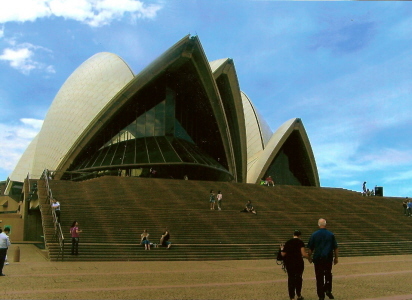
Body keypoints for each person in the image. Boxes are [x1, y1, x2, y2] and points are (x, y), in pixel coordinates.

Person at [307, 218, 339, 300]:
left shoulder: (314, 235)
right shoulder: (331, 234)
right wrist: (336, 258)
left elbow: (310, 248)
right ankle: (328, 289)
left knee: (319, 276)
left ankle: (321, 295)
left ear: (318, 225)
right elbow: (335, 247)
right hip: (328, 257)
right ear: (325, 224)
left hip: (318, 258)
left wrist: (309, 257)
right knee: (328, 274)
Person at [281, 230, 310, 300]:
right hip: (298, 262)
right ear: (300, 236)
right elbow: (303, 254)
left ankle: (291, 296)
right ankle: (298, 295)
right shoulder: (300, 242)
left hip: (289, 262)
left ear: (293, 235)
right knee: (298, 278)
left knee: (291, 278)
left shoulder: (288, 242)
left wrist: (281, 249)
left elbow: (283, 254)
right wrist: (309, 258)